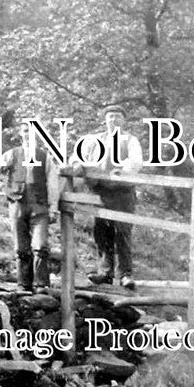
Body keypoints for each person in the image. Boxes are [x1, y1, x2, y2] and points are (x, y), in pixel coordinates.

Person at [0, 126, 58, 292]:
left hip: (39, 206)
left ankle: (41, 285)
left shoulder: (45, 157)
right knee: (21, 246)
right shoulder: (12, 154)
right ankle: (23, 284)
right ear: (20, 134)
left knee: (40, 245)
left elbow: (53, 185)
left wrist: (53, 208)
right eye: (25, 131)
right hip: (17, 204)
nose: (28, 134)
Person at [77, 104, 142, 288]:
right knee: (101, 232)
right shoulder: (95, 140)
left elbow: (135, 162)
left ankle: (125, 275)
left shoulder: (129, 140)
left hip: (122, 193)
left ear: (124, 120)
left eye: (117, 117)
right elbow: (81, 157)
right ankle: (105, 272)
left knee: (122, 232)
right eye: (110, 117)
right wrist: (84, 169)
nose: (113, 120)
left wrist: (119, 174)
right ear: (105, 120)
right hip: (100, 192)